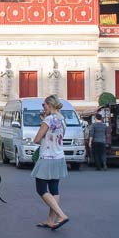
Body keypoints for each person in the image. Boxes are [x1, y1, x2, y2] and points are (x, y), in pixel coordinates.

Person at [33, 95, 70, 230]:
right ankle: (50, 219)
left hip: (47, 157)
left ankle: (61, 215)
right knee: (54, 189)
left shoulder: (48, 120)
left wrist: (43, 122)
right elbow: (57, 137)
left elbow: (36, 139)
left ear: (49, 104)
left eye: (44, 105)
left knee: (41, 189)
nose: (43, 107)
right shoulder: (62, 119)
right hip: (59, 157)